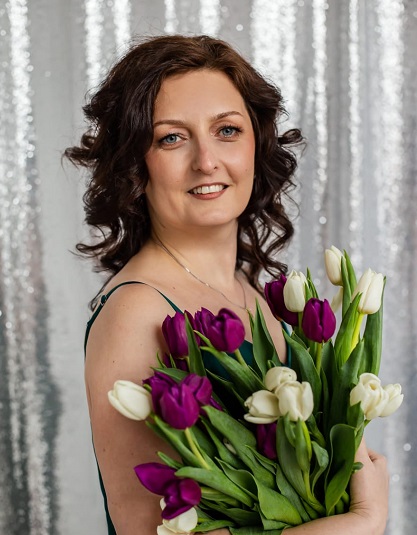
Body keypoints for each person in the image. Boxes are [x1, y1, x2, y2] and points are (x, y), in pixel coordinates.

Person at [65, 35, 389, 535]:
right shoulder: (137, 312)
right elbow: (149, 530)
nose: (206, 161)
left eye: (227, 130)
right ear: (135, 163)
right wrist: (363, 520)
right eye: (171, 138)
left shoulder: (251, 290)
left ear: (256, 144)